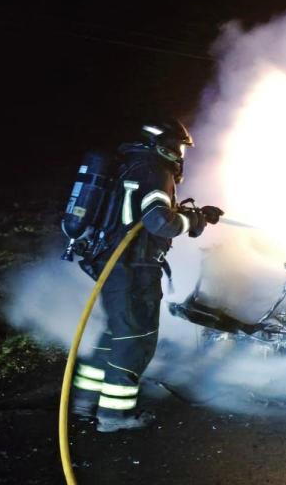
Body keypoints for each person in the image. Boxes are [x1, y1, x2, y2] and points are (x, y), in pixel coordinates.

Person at [70, 119, 219, 432]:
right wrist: (191, 221)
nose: (180, 156)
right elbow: (158, 221)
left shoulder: (131, 165)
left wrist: (196, 215)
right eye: (178, 148)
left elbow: (145, 214)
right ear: (164, 144)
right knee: (135, 341)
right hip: (131, 269)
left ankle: (84, 403)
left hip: (112, 264)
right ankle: (114, 415)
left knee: (115, 334)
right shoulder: (155, 170)